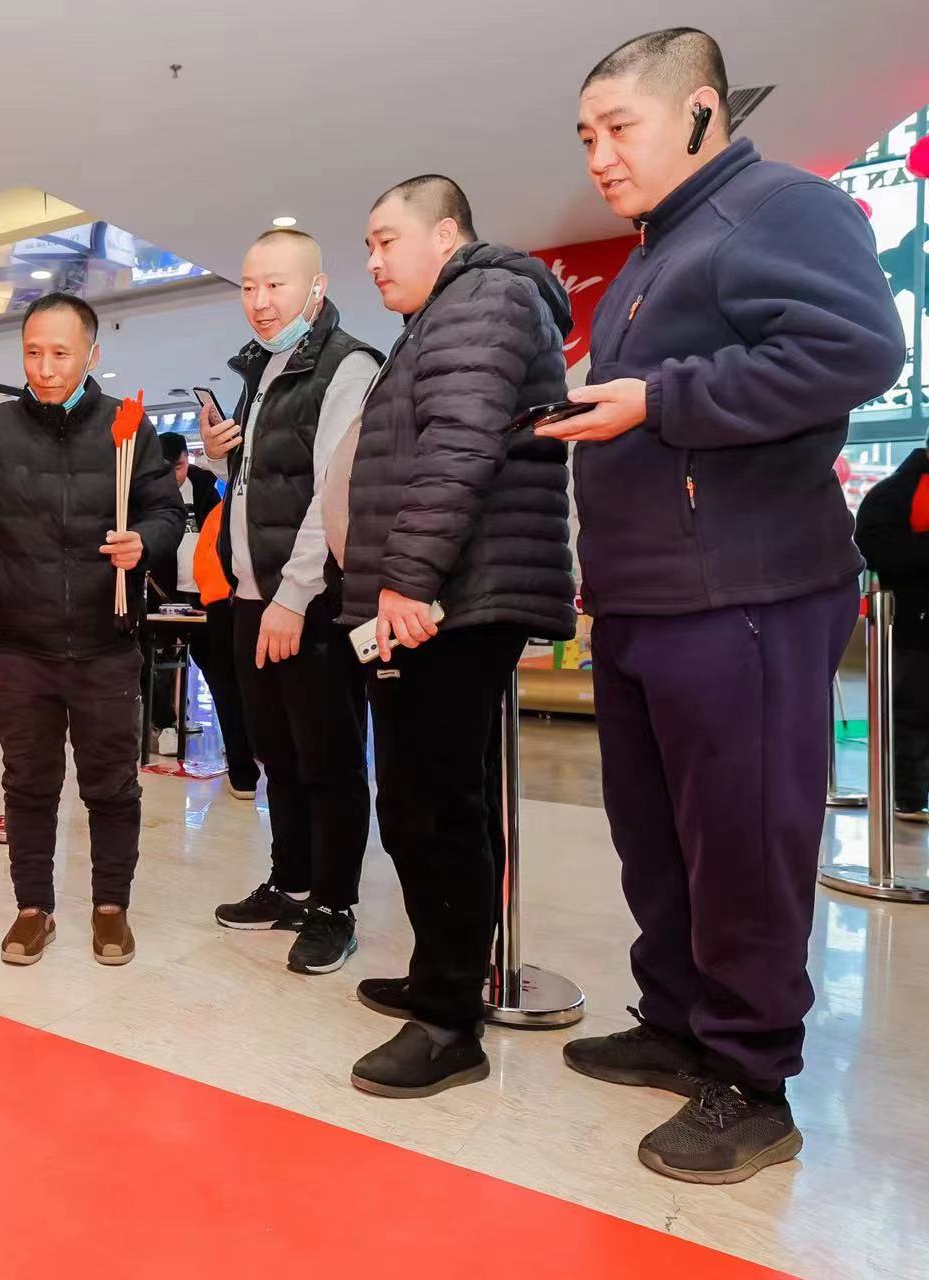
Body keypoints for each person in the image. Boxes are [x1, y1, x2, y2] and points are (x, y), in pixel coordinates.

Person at [551, 28, 907, 1182]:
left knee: (745, 840)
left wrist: (656, 397)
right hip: (650, 593)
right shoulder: (658, 249)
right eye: (587, 137)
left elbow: (856, 347)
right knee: (656, 836)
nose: (600, 156)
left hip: (745, 586)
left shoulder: (779, 209)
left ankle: (753, 1076)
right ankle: (677, 1023)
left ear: (702, 112)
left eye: (621, 129)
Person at [340, 176, 575, 1096]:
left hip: (451, 596)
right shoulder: (452, 310)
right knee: (436, 797)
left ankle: (449, 1024)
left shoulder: (483, 299)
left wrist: (407, 577)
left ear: (445, 235)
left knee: (430, 803)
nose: (373, 259)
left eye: (385, 238)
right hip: (450, 590)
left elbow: (458, 446)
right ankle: (445, 973)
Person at [0, 293, 184, 967]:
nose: (45, 367)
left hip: (106, 641)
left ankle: (110, 907)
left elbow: (165, 510)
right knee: (28, 782)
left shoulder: (128, 426)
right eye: (33, 352)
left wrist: (142, 543)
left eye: (61, 353)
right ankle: (33, 909)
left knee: (111, 785)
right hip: (25, 643)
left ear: (92, 354)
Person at [199, 228, 383, 973]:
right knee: (275, 749)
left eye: (276, 285)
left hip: (312, 601)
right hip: (250, 594)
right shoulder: (265, 370)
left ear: (316, 287)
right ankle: (291, 879)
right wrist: (224, 454)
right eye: (248, 287)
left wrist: (294, 595)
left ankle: (334, 905)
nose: (260, 302)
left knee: (329, 757)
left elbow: (333, 494)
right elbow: (267, 486)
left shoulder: (349, 367)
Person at [147, 432, 256, 794]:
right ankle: (165, 724)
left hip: (213, 598)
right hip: (164, 595)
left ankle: (242, 760)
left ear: (187, 460)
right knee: (153, 665)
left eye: (177, 467)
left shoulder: (209, 488)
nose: (172, 476)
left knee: (224, 679)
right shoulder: (146, 492)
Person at [855, 447, 929, 821]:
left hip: (913, 622)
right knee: (913, 711)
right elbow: (874, 548)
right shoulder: (895, 492)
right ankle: (910, 798)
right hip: (914, 624)